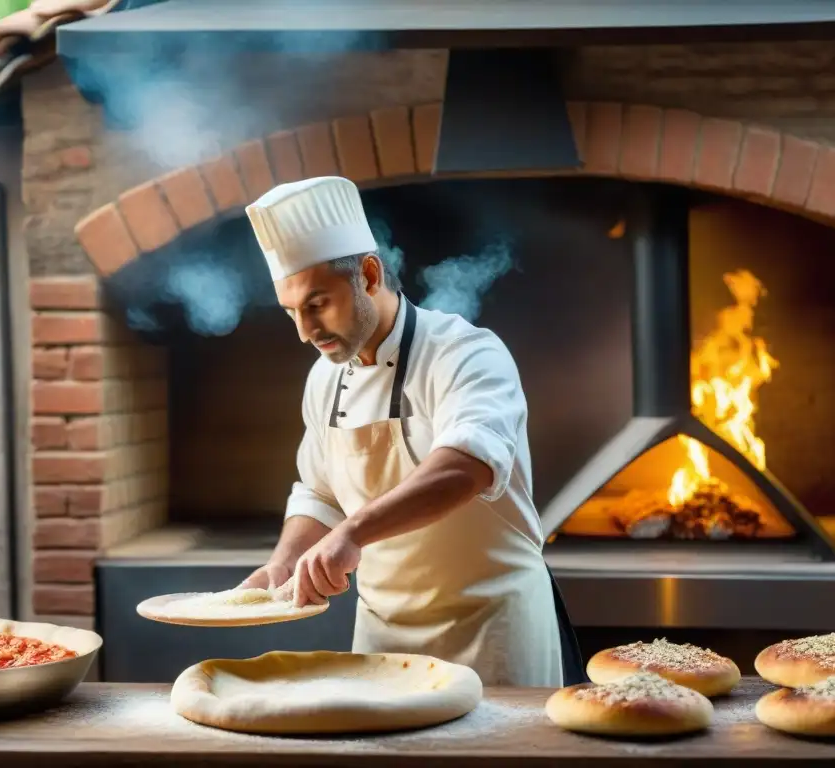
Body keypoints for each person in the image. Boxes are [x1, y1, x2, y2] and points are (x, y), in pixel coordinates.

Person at [239, 175, 586, 687]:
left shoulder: (467, 353)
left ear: (370, 274)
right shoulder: (323, 379)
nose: (306, 332)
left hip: (491, 630)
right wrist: (283, 563)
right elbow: (319, 493)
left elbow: (464, 469)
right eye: (292, 312)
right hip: (384, 638)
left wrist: (353, 533)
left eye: (317, 304)